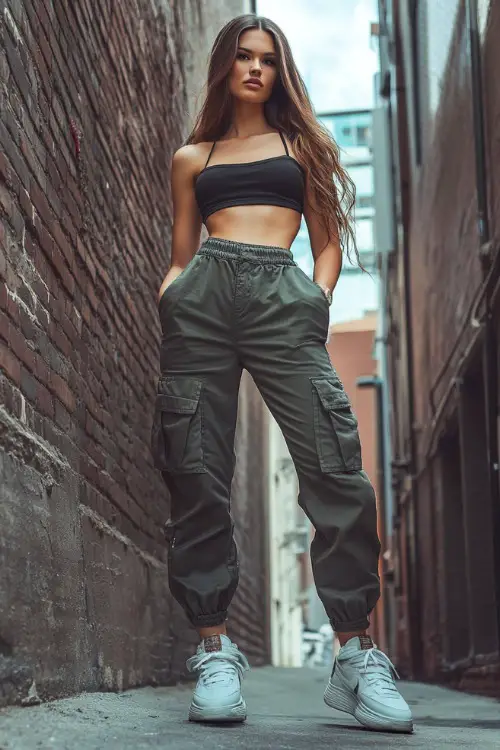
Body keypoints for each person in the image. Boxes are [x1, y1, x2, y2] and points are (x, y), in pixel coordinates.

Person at [151, 13, 413, 734]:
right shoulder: (192, 157)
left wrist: (314, 300)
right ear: (225, 67)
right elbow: (181, 249)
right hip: (202, 300)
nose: (256, 68)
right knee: (195, 468)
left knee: (333, 466)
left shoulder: (302, 149)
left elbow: (326, 245)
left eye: (268, 58)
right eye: (243, 56)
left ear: (281, 70)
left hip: (281, 298)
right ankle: (213, 650)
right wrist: (172, 292)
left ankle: (357, 655)